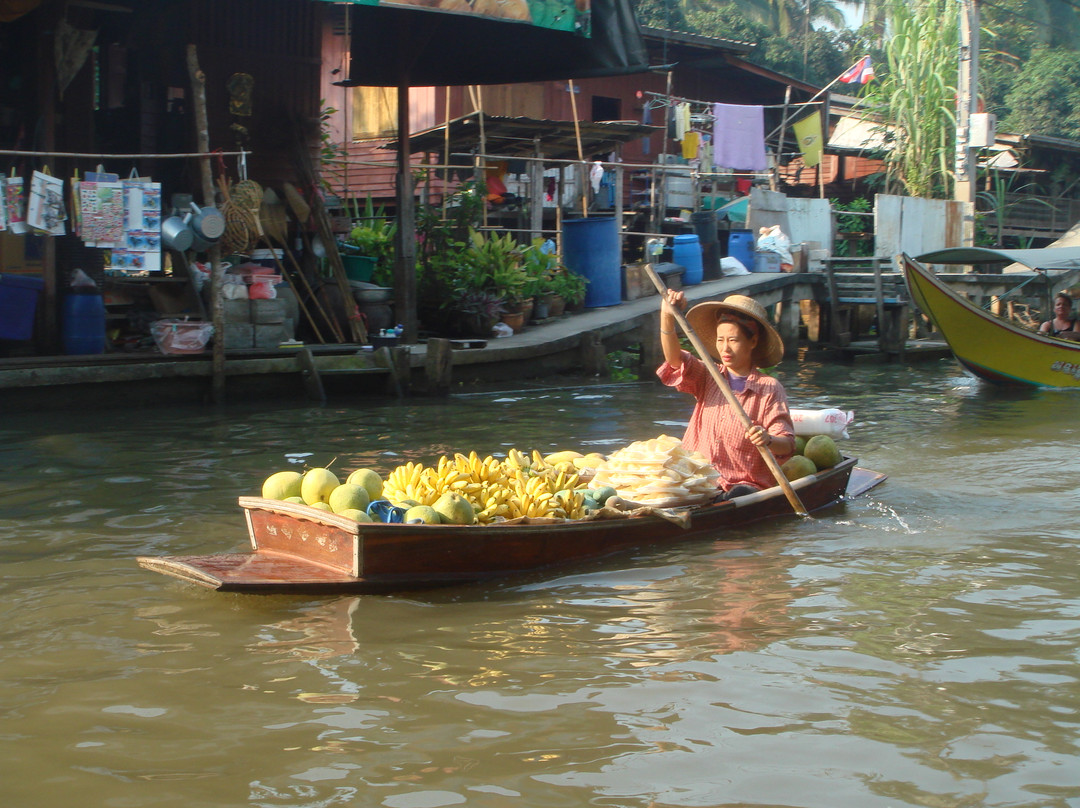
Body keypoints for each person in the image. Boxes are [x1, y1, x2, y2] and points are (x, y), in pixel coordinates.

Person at [657, 291, 795, 500]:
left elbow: (787, 444)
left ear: (753, 341)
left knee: (738, 495)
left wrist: (767, 439)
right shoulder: (710, 376)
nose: (725, 348)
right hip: (699, 481)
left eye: (733, 340)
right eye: (720, 340)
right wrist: (667, 316)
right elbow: (675, 360)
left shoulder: (769, 388)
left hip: (743, 485)